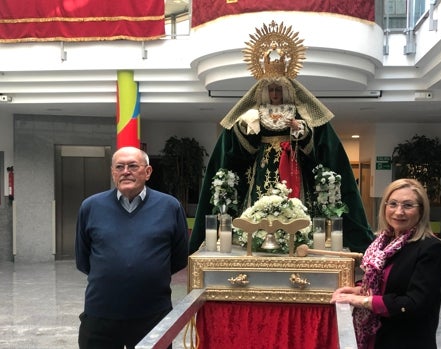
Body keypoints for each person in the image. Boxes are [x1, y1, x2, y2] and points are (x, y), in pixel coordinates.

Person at [189, 23, 373, 254]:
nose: (275, 94)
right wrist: (247, 128)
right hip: (263, 165)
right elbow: (238, 150)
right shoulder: (253, 113)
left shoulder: (299, 112)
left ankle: (296, 236)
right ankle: (255, 235)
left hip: (292, 163)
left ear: (286, 91)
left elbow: (317, 145)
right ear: (264, 92)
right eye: (271, 90)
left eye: (278, 90)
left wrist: (300, 130)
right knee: (259, 197)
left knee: (294, 198)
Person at [75, 146, 189, 349]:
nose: (125, 171)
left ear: (148, 172)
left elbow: (179, 257)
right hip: (100, 315)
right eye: (119, 166)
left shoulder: (170, 206)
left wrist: (147, 273)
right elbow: (83, 259)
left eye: (133, 166)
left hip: (153, 315)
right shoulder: (91, 206)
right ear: (113, 172)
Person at [331, 178, 441, 349]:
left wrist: (362, 300)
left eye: (408, 205)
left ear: (421, 211)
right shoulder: (384, 242)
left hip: (406, 340)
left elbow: (415, 303)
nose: (398, 212)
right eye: (392, 204)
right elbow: (386, 283)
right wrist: (358, 289)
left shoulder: (432, 248)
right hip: (377, 337)